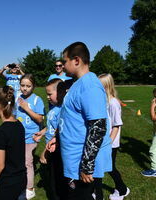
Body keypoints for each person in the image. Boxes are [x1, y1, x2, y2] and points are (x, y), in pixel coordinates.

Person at [47, 42, 112, 200]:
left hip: (80, 162)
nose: (63, 65)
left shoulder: (90, 86)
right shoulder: (78, 84)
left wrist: (87, 167)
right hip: (72, 158)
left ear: (76, 60)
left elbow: (98, 127)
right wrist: (58, 137)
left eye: (65, 61)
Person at [33, 78, 73, 200]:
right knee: (53, 178)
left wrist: (45, 152)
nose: (48, 97)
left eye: (50, 94)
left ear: (60, 92)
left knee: (58, 181)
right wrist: (43, 132)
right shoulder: (54, 108)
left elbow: (59, 131)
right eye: (47, 94)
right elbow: (52, 127)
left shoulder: (62, 110)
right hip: (51, 148)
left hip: (56, 149)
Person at [92, 73, 130, 200]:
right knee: (98, 167)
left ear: (106, 86)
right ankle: (97, 193)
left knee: (110, 168)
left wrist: (108, 141)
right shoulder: (101, 101)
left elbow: (116, 125)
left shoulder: (113, 102)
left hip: (109, 143)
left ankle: (122, 189)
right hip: (100, 141)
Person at [16, 74, 45, 199]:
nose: (25, 88)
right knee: (19, 161)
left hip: (31, 137)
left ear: (33, 87)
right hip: (18, 136)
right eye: (22, 85)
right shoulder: (18, 98)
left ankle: (30, 188)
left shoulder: (36, 100)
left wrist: (26, 108)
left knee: (28, 162)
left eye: (28, 86)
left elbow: (40, 119)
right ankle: (20, 182)